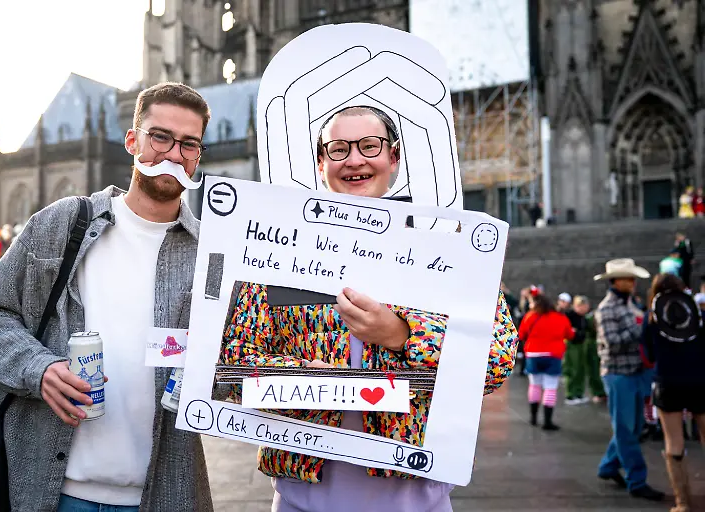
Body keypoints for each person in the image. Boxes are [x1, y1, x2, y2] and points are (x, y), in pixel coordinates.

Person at [223, 106, 519, 512]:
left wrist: (401, 334)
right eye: (339, 148)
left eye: (369, 146)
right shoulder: (275, 248)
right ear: (321, 161)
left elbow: (496, 361)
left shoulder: (447, 245)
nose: (355, 160)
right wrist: (297, 378)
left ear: (393, 157)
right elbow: (230, 364)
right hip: (301, 497)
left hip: (416, 497)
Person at [0, 82, 214, 512]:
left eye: (188, 143)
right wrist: (38, 369)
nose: (173, 153)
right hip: (55, 494)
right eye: (160, 137)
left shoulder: (212, 254)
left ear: (198, 156)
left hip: (164, 495)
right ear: (131, 140)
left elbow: (237, 362)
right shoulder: (60, 225)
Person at [593, 258, 664, 501]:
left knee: (631, 428)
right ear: (617, 281)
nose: (634, 283)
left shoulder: (630, 303)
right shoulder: (607, 309)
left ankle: (608, 467)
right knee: (626, 430)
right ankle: (637, 480)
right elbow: (613, 342)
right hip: (618, 374)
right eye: (629, 278)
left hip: (633, 372)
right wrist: (642, 325)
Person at [642, 273, 705, 511]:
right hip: (701, 381)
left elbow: (648, 355)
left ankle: (683, 503)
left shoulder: (652, 319)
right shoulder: (699, 315)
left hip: (668, 383)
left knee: (674, 444)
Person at [519, 290, 574, 429]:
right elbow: (570, 334)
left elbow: (521, 334)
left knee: (534, 385)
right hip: (553, 355)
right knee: (550, 387)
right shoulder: (560, 318)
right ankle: (547, 422)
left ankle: (533, 418)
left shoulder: (530, 316)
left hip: (533, 355)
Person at [562, 296, 595, 405]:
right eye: (583, 306)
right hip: (572, 345)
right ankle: (570, 395)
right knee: (572, 370)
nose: (586, 308)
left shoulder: (584, 318)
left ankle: (579, 393)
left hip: (581, 345)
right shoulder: (569, 315)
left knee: (581, 370)